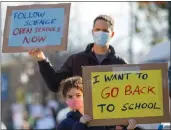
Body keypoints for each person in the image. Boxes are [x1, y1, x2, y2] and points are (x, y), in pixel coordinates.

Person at [28, 14, 127, 93]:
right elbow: (55, 85)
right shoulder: (76, 60)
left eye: (105, 30)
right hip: (81, 117)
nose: (101, 33)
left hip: (110, 116)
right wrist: (42, 60)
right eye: (97, 30)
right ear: (93, 32)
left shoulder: (120, 64)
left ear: (112, 34)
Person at [57, 76, 140, 130]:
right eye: (70, 97)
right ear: (65, 99)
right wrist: (80, 125)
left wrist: (129, 129)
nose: (74, 99)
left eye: (78, 95)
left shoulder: (102, 118)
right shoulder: (64, 125)